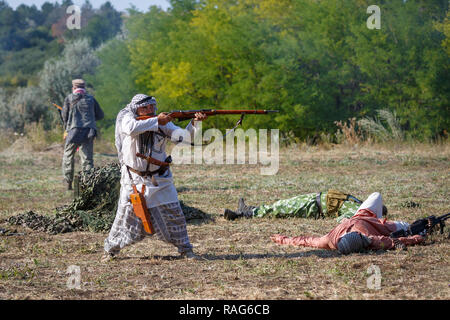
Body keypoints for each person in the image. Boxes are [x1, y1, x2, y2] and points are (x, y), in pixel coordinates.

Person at [102, 94, 207, 261]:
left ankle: (186, 250)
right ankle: (110, 251)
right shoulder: (127, 117)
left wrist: (195, 122)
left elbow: (183, 137)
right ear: (137, 108)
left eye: (152, 107)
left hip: (160, 179)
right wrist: (157, 120)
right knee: (124, 218)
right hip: (133, 179)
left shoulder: (161, 121)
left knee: (174, 215)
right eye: (145, 108)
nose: (150, 110)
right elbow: (131, 128)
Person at [270, 192, 424, 254]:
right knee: (407, 226)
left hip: (361, 214)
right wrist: (415, 238)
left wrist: (282, 239)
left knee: (376, 195)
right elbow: (391, 241)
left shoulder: (328, 240)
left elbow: (306, 241)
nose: (366, 238)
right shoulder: (369, 239)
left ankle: (379, 213)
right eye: (365, 240)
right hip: (380, 226)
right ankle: (382, 217)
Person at [223, 189, 386, 223]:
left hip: (313, 207)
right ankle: (250, 209)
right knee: (281, 205)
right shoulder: (357, 203)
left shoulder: (357, 210)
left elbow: (344, 221)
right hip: (313, 199)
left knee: (280, 208)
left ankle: (241, 214)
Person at [62, 79, 104, 190]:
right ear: (84, 88)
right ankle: (88, 183)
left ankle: (68, 183)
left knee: (68, 156)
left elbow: (64, 116)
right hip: (89, 132)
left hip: (73, 132)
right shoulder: (91, 99)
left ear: (73, 87)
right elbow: (100, 115)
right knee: (87, 159)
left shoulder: (69, 98)